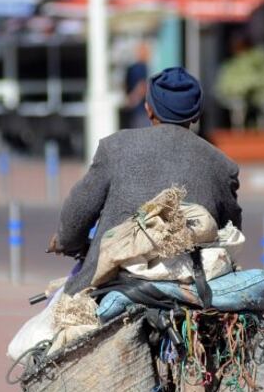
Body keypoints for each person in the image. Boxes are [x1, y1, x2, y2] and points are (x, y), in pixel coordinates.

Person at [50, 67, 243, 301]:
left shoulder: (115, 148)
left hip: (113, 282)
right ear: (196, 115)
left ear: (149, 108)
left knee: (53, 329)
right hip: (194, 286)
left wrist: (66, 242)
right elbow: (231, 230)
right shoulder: (222, 165)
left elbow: (77, 213)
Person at [123, 42, 151, 129]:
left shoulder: (131, 68)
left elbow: (125, 85)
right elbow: (142, 86)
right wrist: (133, 99)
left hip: (135, 111)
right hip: (141, 111)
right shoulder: (141, 67)